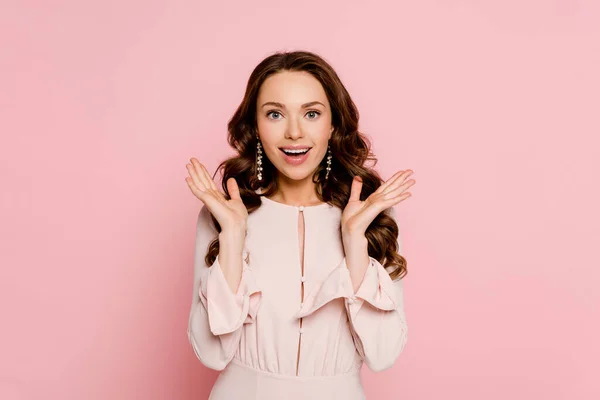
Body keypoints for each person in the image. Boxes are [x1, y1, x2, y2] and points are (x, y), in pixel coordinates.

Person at [185, 50, 416, 400]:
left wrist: (354, 241)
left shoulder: (371, 215)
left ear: (333, 124)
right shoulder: (227, 214)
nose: (294, 132)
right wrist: (232, 237)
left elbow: (383, 356)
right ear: (256, 127)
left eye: (311, 113)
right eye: (275, 114)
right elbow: (210, 353)